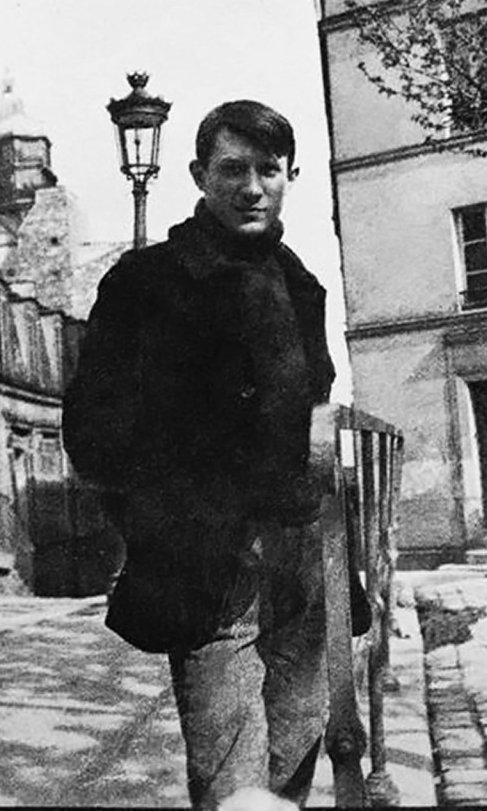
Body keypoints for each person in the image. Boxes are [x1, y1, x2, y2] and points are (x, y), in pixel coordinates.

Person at [62, 99, 340, 809]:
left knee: (295, 753)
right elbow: (92, 430)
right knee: (233, 784)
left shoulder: (301, 283)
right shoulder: (147, 282)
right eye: (232, 169)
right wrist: (169, 520)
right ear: (199, 175)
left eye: (268, 170)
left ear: (290, 176)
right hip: (212, 563)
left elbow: (319, 403)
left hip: (299, 560)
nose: (252, 187)